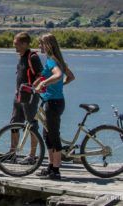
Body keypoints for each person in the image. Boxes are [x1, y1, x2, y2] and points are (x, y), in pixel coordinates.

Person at [34, 33, 75, 180]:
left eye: (41, 44)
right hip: (54, 101)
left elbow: (58, 75)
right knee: (47, 136)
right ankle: (50, 166)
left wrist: (43, 84)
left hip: (53, 103)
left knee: (53, 136)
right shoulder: (58, 60)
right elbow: (71, 77)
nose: (39, 46)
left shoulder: (52, 61)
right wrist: (57, 86)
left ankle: (56, 171)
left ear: (48, 45)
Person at [10, 32, 44, 165]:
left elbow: (41, 76)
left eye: (17, 44)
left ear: (25, 44)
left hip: (29, 96)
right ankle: (12, 153)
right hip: (18, 96)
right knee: (14, 124)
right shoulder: (21, 57)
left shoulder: (33, 57)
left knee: (31, 125)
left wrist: (31, 88)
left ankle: (32, 155)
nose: (15, 46)